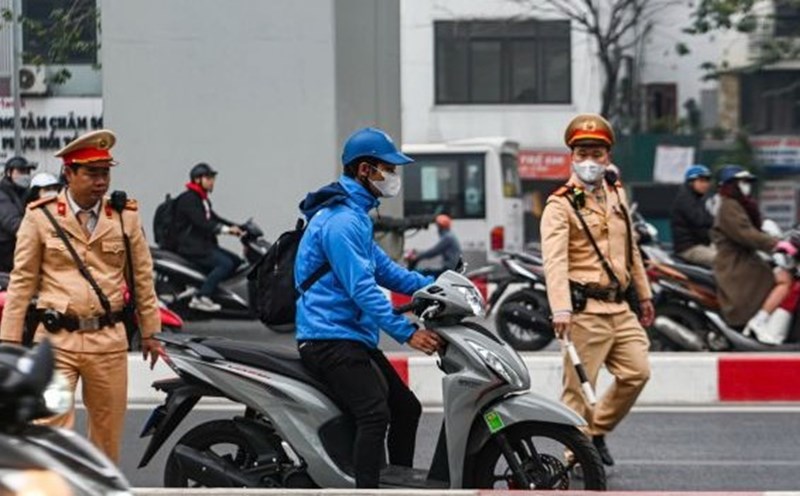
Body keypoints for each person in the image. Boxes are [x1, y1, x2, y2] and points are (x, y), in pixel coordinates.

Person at [295, 127, 445, 488]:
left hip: (351, 337)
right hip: (327, 338)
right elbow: (363, 287)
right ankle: (366, 490)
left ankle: (401, 484)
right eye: (387, 168)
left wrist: (437, 284)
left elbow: (386, 270)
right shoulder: (341, 221)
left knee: (407, 409)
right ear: (365, 170)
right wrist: (408, 332)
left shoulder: (356, 215)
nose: (392, 176)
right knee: (375, 415)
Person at [0, 130, 162, 462]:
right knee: (50, 429)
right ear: (69, 173)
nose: (100, 181)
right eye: (91, 172)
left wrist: (150, 332)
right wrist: (10, 343)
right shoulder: (41, 216)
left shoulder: (124, 216)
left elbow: (142, 279)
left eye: (105, 172)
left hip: (108, 343)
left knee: (107, 435)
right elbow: (22, 283)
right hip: (57, 344)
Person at [540, 113, 655, 467]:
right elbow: (555, 262)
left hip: (619, 308)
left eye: (597, 152)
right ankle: (573, 460)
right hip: (585, 311)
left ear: (608, 156)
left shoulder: (616, 193)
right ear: (572, 157)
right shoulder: (560, 205)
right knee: (576, 393)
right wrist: (561, 308)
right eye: (583, 152)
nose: (590, 160)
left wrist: (645, 293)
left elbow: (630, 248)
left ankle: (593, 432)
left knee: (638, 372)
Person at [711, 165, 795, 344]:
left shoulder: (739, 205)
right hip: (736, 265)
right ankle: (759, 321)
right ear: (731, 184)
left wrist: (778, 238)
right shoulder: (729, 206)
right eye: (743, 182)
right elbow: (746, 234)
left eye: (748, 182)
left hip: (746, 258)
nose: (747, 185)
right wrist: (776, 244)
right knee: (784, 280)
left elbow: (757, 229)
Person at [172, 162, 243, 312]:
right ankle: (201, 297)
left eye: (212, 178)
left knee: (236, 261)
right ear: (198, 180)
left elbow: (215, 218)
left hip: (202, 245)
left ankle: (212, 291)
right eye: (209, 178)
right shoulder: (188, 199)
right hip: (190, 246)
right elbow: (202, 223)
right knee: (225, 264)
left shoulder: (202, 199)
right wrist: (227, 230)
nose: (212, 182)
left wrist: (238, 226)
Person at [671, 165, 716, 267]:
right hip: (689, 248)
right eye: (701, 181)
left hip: (701, 245)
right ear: (691, 182)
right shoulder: (685, 199)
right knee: (723, 260)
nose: (705, 184)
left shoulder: (699, 199)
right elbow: (699, 221)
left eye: (707, 181)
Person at [0, 156, 37, 272]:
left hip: (22, 247)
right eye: (21, 171)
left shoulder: (25, 193)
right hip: (6, 251)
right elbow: (12, 223)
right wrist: (38, 231)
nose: (25, 175)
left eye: (27, 172)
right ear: (9, 173)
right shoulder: (2, 193)